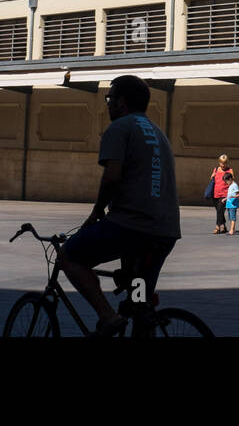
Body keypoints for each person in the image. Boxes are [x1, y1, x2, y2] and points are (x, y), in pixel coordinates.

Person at [58, 75, 181, 336]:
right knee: (139, 303)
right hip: (165, 231)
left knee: (70, 256)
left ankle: (107, 316)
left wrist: (96, 211)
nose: (108, 104)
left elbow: (112, 176)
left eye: (110, 99)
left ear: (122, 102)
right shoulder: (158, 132)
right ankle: (140, 315)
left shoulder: (120, 128)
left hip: (131, 226)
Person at [209, 154, 234, 235]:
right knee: (219, 211)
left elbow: (232, 181)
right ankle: (223, 226)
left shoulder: (230, 170)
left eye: (225, 163)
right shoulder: (216, 169)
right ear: (219, 162)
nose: (223, 165)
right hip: (215, 193)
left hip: (224, 194)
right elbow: (212, 179)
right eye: (222, 163)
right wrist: (212, 176)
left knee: (220, 210)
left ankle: (217, 227)